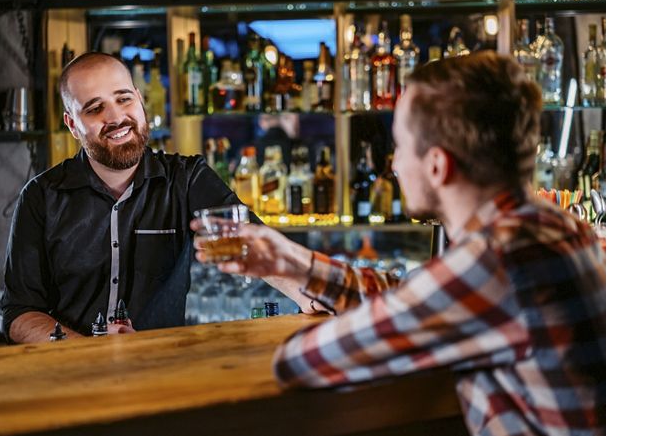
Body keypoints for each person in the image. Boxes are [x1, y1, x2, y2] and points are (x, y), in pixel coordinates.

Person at [193, 52, 605, 435]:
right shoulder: (556, 227)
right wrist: (297, 263)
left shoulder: (496, 260)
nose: (393, 164)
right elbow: (417, 298)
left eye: (401, 147)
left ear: (438, 165)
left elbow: (300, 363)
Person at [1, 52, 307, 343]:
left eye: (123, 99)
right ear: (72, 125)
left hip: (160, 370)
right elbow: (19, 313)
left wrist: (316, 294)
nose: (116, 117)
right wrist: (87, 353)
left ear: (139, 98)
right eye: (95, 108)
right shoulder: (41, 196)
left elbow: (258, 247)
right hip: (71, 377)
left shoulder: (187, 179)